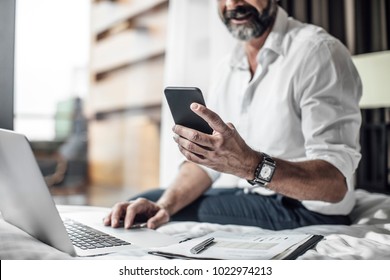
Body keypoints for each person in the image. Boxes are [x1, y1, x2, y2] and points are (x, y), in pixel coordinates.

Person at [104, 0, 362, 230]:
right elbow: (206, 166)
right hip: (249, 196)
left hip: (306, 210)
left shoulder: (318, 53)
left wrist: (250, 164)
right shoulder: (228, 66)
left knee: (160, 222)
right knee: (143, 205)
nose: (232, 4)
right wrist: (166, 205)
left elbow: (334, 184)